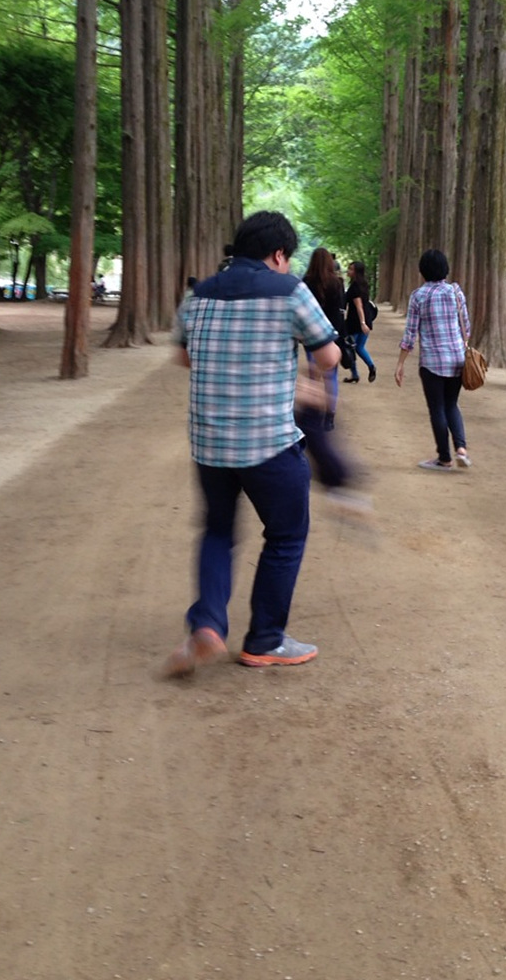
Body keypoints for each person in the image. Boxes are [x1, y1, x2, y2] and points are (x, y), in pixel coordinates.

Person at [165, 210, 340, 677]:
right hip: (270, 443)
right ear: (278, 254)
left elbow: (183, 356)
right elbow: (328, 355)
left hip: (210, 444)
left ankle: (207, 624)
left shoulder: (199, 293)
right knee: (285, 536)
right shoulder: (290, 291)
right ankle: (264, 640)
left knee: (217, 532)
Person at [394, 248, 471, 471]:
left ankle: (444, 458)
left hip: (432, 362)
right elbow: (466, 327)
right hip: (457, 359)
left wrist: (400, 363)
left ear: (423, 271)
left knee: (437, 408)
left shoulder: (419, 296)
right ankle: (461, 449)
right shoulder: (456, 292)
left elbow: (410, 334)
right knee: (451, 404)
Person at [302, 247, 345, 426]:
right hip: (331, 333)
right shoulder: (337, 283)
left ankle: (313, 413)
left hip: (311, 333)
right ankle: (329, 416)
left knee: (314, 373)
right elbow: (341, 310)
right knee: (331, 375)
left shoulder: (306, 282)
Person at [344, 260, 377, 383]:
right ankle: (371, 366)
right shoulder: (364, 285)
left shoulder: (355, 287)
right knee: (359, 347)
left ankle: (355, 374)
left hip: (356, 322)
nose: (348, 271)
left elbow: (359, 306)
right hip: (367, 320)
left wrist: (362, 323)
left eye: (351, 269)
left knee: (350, 348)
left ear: (356, 272)